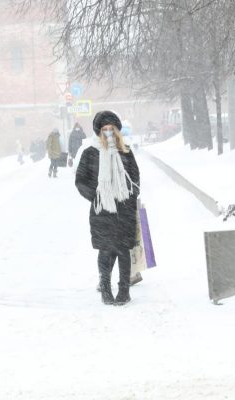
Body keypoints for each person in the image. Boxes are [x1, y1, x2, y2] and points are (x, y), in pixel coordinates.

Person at [75, 111, 140, 306]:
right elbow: (80, 181)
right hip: (101, 209)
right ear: (99, 131)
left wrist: (129, 197)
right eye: (105, 130)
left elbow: (135, 179)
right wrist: (96, 197)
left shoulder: (126, 151)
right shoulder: (90, 153)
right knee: (105, 250)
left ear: (117, 130)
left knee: (123, 250)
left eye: (112, 129)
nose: (108, 133)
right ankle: (105, 288)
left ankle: (124, 290)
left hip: (124, 209)